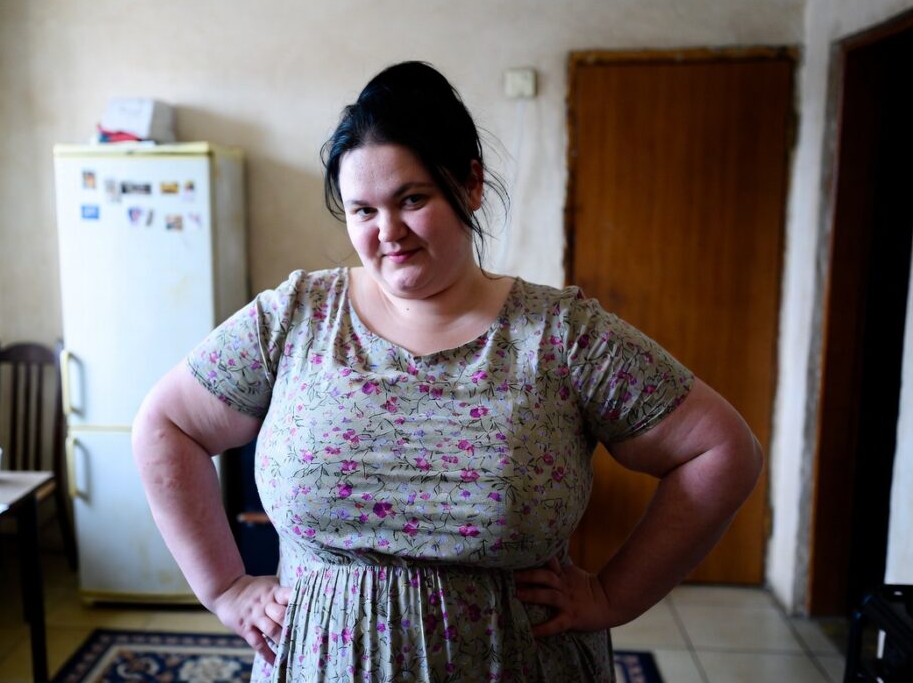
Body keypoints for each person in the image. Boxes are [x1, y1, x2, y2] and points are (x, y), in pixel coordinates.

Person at [132, 61, 763, 682]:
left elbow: (721, 449)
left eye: (412, 199)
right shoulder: (296, 316)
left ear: (471, 184)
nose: (388, 232)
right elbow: (166, 425)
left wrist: (613, 596)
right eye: (362, 211)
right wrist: (225, 588)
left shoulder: (561, 336)